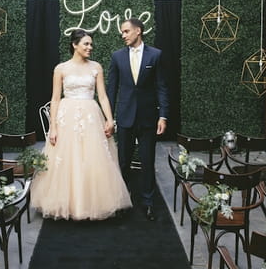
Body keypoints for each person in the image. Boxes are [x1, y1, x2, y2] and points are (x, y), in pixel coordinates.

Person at [30, 29, 132, 220]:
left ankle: (91, 203)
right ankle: (68, 204)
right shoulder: (61, 68)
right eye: (86, 44)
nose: (90, 47)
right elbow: (55, 99)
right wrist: (53, 126)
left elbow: (102, 96)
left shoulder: (96, 67)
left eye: (91, 44)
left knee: (93, 159)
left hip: (91, 117)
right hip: (66, 117)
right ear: (74, 45)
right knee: (68, 160)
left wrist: (110, 119)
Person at [107, 18, 169, 221]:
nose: (123, 35)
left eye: (126, 31)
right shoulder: (117, 57)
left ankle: (148, 202)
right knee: (123, 162)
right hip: (124, 117)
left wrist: (163, 115)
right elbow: (112, 90)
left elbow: (161, 87)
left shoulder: (156, 55)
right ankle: (124, 201)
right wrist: (108, 118)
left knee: (147, 161)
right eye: (122, 32)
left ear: (138, 31)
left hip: (148, 118)